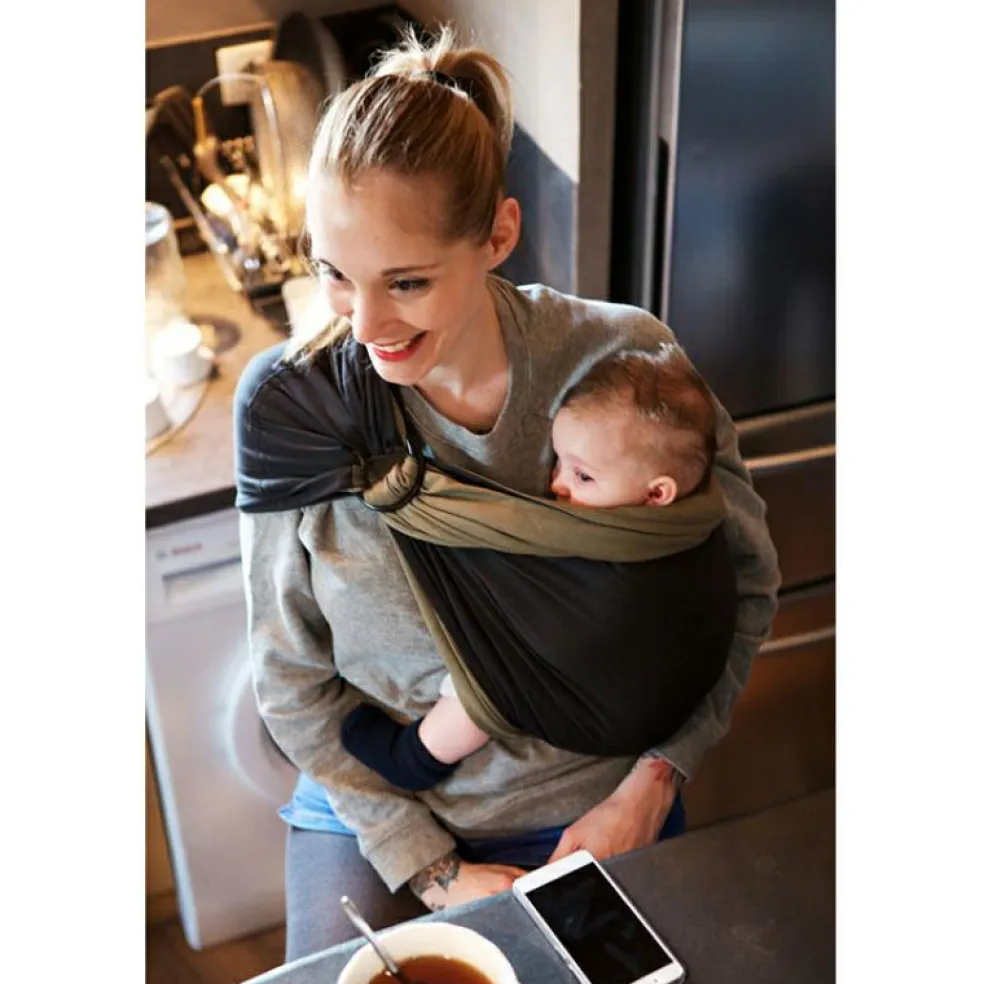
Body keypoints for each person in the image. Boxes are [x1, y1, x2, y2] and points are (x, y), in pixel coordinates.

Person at [236, 26, 780, 961]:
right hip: (379, 807)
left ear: (498, 235)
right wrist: (432, 870)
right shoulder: (299, 408)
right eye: (333, 272)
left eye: (407, 281)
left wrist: (653, 782)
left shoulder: (623, 366)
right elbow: (289, 683)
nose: (365, 325)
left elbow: (746, 588)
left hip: (598, 801)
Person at [339, 343, 729, 792]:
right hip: (640, 695)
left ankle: (415, 758)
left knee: (489, 680)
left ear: (657, 494)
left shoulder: (674, 537)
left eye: (583, 476)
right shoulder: (669, 500)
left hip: (614, 708)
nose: (557, 482)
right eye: (558, 460)